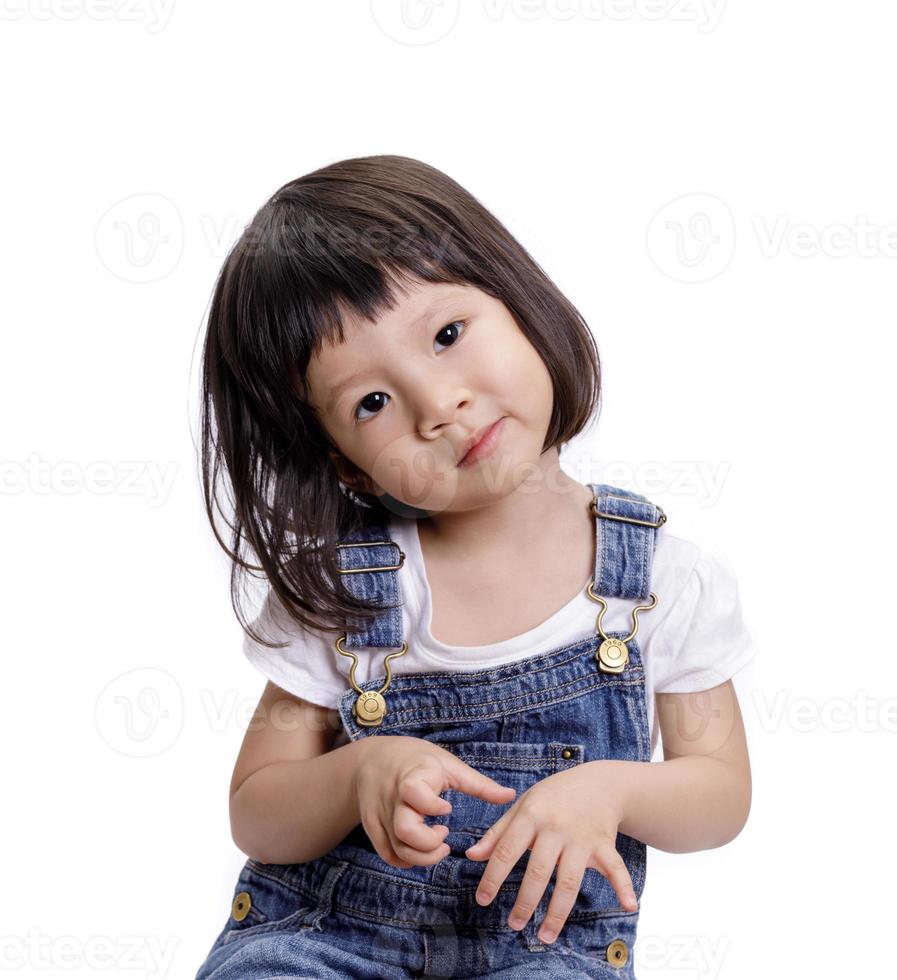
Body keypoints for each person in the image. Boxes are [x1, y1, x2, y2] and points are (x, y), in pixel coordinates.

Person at [193, 155, 755, 979]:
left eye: (448, 335)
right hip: (333, 943)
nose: (438, 405)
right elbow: (257, 812)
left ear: (518, 302)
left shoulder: (660, 584)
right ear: (347, 466)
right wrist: (358, 771)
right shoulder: (343, 595)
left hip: (542, 949)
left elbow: (719, 792)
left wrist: (611, 791)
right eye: (372, 404)